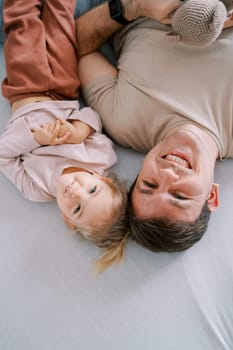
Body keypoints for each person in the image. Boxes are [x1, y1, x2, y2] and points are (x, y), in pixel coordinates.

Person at [75, 0, 233, 253]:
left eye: (149, 184)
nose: (168, 174)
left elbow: (74, 45)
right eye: (179, 196)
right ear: (211, 196)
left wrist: (131, 7)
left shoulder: (123, 122)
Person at [0, 0, 129, 273]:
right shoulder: (99, 158)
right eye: (92, 190)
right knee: (61, 20)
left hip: (26, 90)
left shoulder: (37, 189)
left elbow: (4, 154)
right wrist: (78, 130)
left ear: (67, 219)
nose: (77, 192)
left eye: (78, 209)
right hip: (65, 88)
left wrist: (37, 140)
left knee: (22, 23)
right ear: (102, 179)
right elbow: (93, 118)